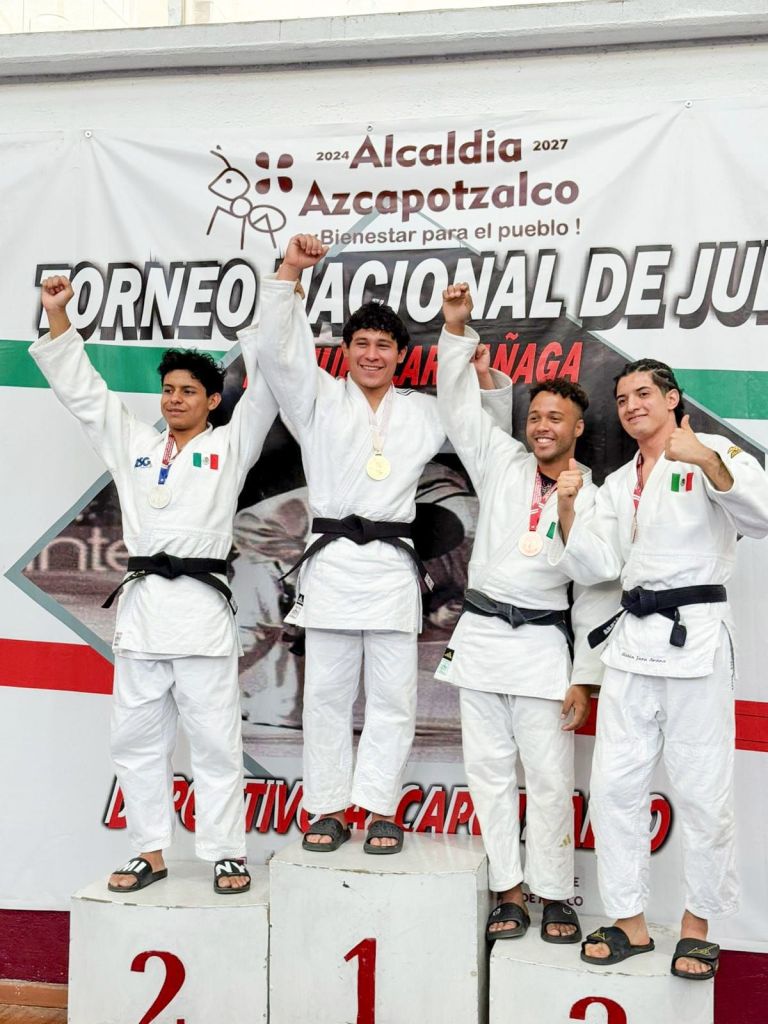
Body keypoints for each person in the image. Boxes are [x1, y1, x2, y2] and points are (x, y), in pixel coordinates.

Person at [248, 234, 511, 854]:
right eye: (361, 344)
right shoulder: (315, 400)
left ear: (400, 356)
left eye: (384, 345)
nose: (372, 354)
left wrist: (455, 331)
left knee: (394, 697)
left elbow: (480, 425)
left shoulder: (423, 411)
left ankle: (378, 807)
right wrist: (289, 271)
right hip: (333, 565)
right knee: (327, 697)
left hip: (392, 569)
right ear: (344, 351)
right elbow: (280, 352)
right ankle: (327, 807)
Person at [31, 276, 278, 894]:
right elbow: (86, 395)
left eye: (188, 391)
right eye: (168, 390)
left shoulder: (231, 446)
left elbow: (268, 394)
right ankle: (149, 851)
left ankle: (226, 852)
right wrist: (57, 315)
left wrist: (265, 322)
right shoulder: (136, 445)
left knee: (216, 742)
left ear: (213, 400)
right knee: (136, 740)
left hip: (201, 615)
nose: (174, 399)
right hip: (143, 614)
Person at [553, 358, 768, 978]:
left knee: (703, 791)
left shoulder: (715, 450)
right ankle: (630, 922)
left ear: (673, 398)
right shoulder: (620, 481)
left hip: (696, 638)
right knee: (614, 788)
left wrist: (706, 461)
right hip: (632, 643)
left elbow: (759, 517)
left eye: (643, 393)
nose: (632, 406)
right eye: (622, 399)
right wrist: (568, 510)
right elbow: (596, 564)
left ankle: (698, 926)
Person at [436, 282, 616, 944]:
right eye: (535, 415)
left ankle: (555, 893)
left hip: (543, 646)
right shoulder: (501, 462)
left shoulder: (594, 495)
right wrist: (456, 332)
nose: (542, 426)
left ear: (577, 429)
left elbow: (597, 587)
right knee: (488, 776)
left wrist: (585, 677)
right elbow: (458, 409)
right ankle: (508, 891)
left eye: (555, 419)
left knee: (548, 779)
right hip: (483, 636)